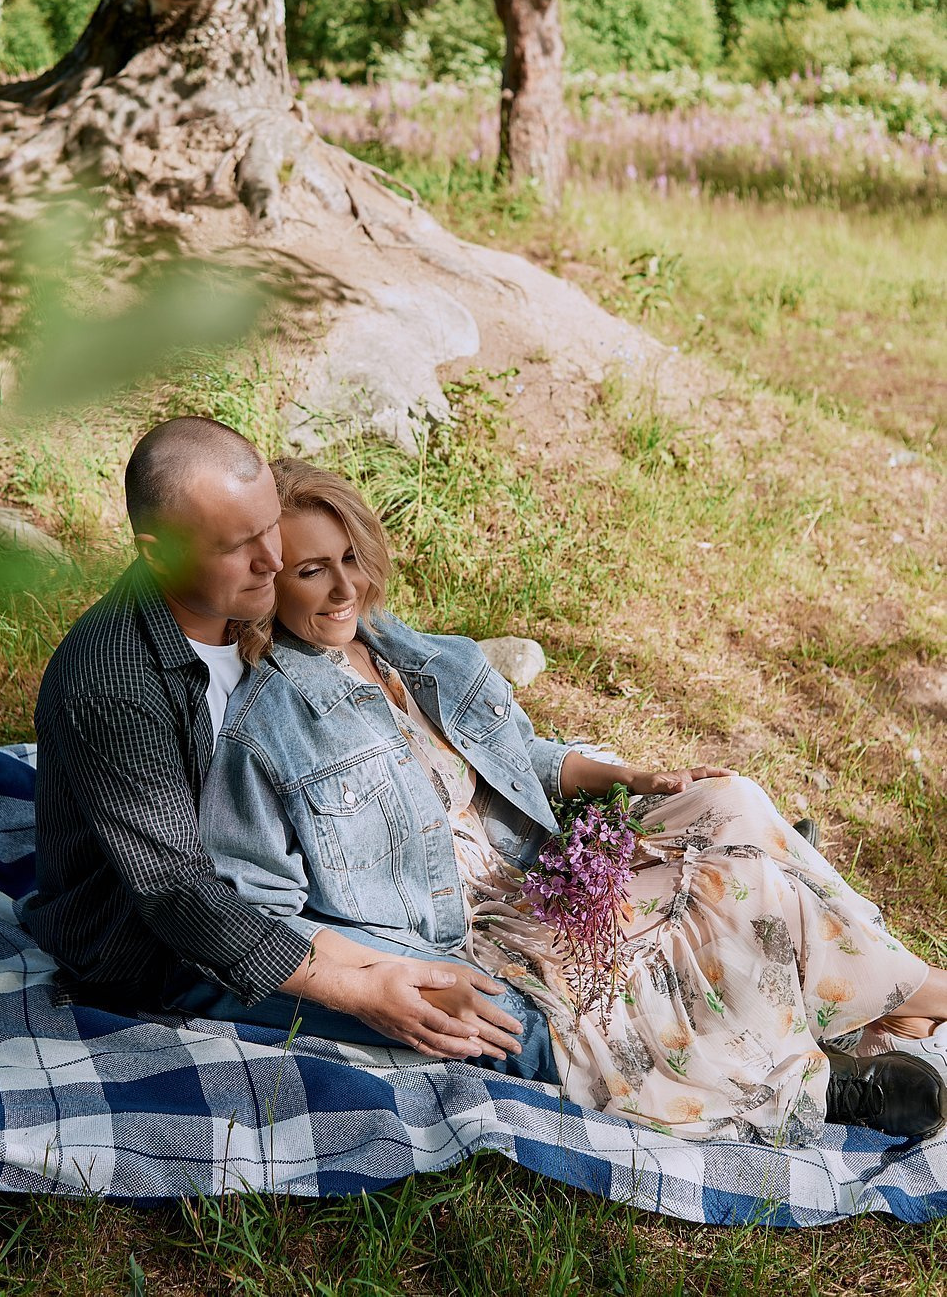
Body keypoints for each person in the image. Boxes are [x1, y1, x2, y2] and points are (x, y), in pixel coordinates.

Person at [199, 456, 947, 1144]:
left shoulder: (408, 651)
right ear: (269, 583)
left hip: (542, 862)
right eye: (312, 572)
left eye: (350, 559)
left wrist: (636, 779)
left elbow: (518, 756)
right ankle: (855, 1041)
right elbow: (261, 911)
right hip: (477, 923)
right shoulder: (267, 729)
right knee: (733, 887)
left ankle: (871, 987)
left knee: (729, 798)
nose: (345, 589)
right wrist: (381, 982)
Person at [23, 416, 528, 1066]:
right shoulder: (113, 686)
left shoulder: (247, 603)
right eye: (240, 544)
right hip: (167, 943)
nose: (273, 559)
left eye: (270, 528)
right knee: (503, 1017)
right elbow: (178, 897)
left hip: (289, 889)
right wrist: (361, 988)